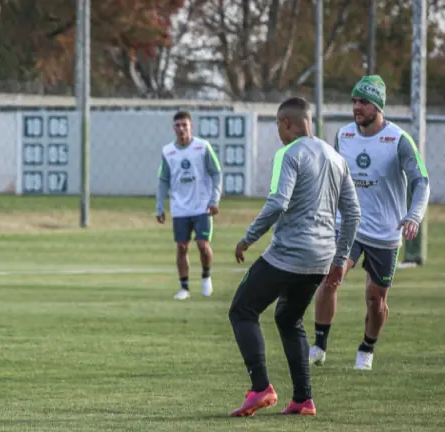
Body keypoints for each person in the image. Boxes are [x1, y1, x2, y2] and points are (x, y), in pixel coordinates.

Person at [228, 97, 360, 417]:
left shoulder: (289, 153)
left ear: (287, 123)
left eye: (277, 126)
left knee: (242, 310)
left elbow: (277, 203)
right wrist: (340, 258)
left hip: (289, 254)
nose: (277, 133)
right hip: (320, 260)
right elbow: (353, 213)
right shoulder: (335, 157)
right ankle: (303, 399)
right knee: (289, 319)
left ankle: (260, 388)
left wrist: (248, 239)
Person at [309, 76, 430, 371]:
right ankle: (319, 345)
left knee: (376, 300)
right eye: (354, 101)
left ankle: (367, 347)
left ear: (378, 105)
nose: (356, 107)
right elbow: (334, 179)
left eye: (363, 102)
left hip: (385, 233)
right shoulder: (344, 136)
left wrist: (414, 216)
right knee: (329, 279)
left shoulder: (399, 140)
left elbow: (421, 181)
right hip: (348, 225)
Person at [155, 110, 222, 300]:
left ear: (191, 126)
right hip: (180, 208)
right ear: (173, 128)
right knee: (182, 247)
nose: (181, 128)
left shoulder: (202, 147)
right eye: (178, 125)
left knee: (202, 245)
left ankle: (206, 277)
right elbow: (163, 180)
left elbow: (216, 173)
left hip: (202, 205)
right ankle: (184, 288)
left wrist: (214, 199)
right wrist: (160, 206)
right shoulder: (168, 151)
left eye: (185, 125)